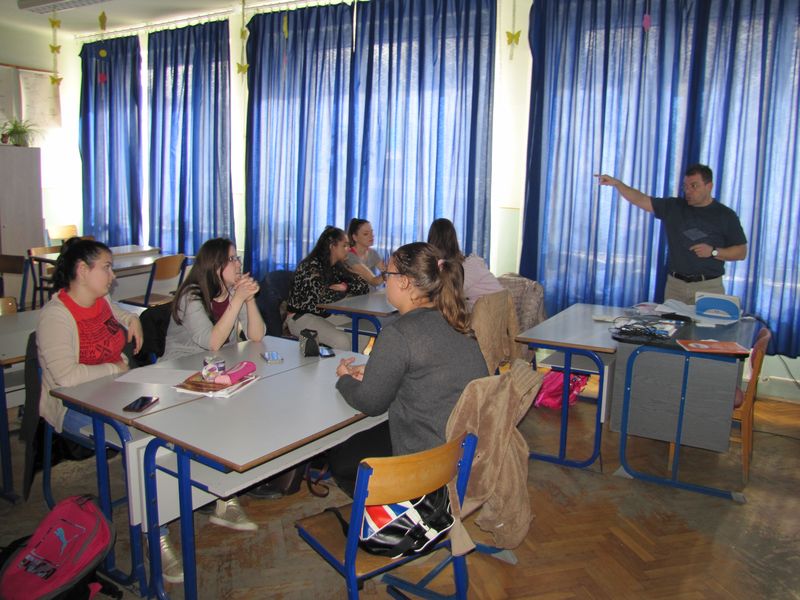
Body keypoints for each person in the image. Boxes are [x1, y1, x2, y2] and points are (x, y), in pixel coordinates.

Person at [33, 239, 197, 579]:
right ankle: (155, 534)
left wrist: (130, 318)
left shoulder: (100, 299)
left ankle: (188, 494)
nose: (112, 275)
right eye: (106, 268)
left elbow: (115, 312)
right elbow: (65, 378)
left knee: (175, 414)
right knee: (138, 441)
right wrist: (114, 368)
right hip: (74, 406)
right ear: (82, 270)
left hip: (116, 393)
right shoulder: (55, 317)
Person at [331, 242, 489, 495]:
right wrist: (375, 372)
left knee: (340, 460)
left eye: (388, 275)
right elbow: (429, 373)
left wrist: (343, 379)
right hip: (461, 450)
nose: (385, 281)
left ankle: (395, 507)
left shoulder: (399, 333)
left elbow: (370, 404)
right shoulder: (454, 320)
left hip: (425, 459)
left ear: (404, 282)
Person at [161, 238, 264, 542]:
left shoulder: (231, 292)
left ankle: (230, 482)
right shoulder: (191, 296)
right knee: (222, 418)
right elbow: (213, 342)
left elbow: (257, 335)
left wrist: (249, 300)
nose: (238, 264)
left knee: (250, 406)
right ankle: (218, 493)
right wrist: (237, 300)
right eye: (231, 259)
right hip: (180, 375)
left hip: (213, 374)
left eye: (237, 258)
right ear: (214, 265)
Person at [595, 164, 747, 304]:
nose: (688, 191)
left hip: (708, 287)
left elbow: (741, 252)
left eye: (694, 186)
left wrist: (713, 252)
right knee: (671, 325)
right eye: (685, 186)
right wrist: (617, 184)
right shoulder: (674, 207)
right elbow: (641, 200)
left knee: (707, 326)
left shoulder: (725, 215)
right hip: (675, 286)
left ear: (709, 186)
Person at [286, 226, 370, 350]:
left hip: (324, 315)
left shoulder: (336, 266)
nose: (348, 249)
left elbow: (363, 286)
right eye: (344, 245)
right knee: (341, 341)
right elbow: (323, 298)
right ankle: (339, 362)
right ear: (332, 246)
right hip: (300, 317)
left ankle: (349, 362)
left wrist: (345, 287)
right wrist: (341, 292)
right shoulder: (310, 267)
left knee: (362, 334)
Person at [427, 218, 503, 309]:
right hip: (501, 309)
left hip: (487, 311)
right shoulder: (471, 264)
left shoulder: (463, 269)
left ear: (432, 242)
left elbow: (444, 296)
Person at [344, 218, 386, 287]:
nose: (371, 236)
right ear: (355, 237)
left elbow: (384, 270)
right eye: (366, 234)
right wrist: (390, 271)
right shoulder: (349, 256)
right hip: (357, 294)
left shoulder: (373, 253)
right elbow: (373, 281)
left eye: (372, 232)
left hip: (372, 292)